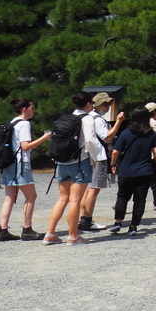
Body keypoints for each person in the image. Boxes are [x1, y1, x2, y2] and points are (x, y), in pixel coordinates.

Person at [44, 92, 98, 245]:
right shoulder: (87, 119)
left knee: (62, 199)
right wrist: (95, 158)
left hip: (62, 163)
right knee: (75, 200)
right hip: (79, 162)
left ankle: (50, 233)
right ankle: (73, 236)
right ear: (88, 104)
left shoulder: (67, 118)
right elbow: (90, 141)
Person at [0, 98, 51, 241]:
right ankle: (27, 229)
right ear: (24, 109)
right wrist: (44, 138)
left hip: (9, 163)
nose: (34, 110)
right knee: (31, 196)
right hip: (21, 163)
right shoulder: (24, 124)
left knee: (9, 197)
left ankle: (3, 230)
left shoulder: (12, 122)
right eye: (32, 107)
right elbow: (26, 146)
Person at [107, 107, 156, 236]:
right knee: (140, 199)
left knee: (122, 196)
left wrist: (113, 164)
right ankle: (133, 226)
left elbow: (116, 151)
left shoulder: (126, 133)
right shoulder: (151, 134)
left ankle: (117, 222)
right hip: (145, 170)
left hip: (126, 170)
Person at [79, 92, 124, 232]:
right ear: (97, 105)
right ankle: (87, 220)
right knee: (93, 189)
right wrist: (118, 122)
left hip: (87, 156)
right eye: (105, 104)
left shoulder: (87, 117)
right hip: (98, 155)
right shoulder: (98, 119)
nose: (108, 106)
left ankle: (83, 218)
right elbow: (107, 137)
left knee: (87, 189)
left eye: (109, 103)